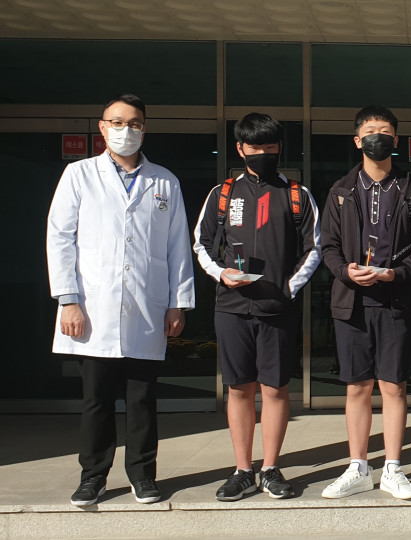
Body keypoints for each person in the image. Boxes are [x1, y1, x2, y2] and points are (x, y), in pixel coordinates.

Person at [47, 93, 195, 506]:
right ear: (102, 127)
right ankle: (92, 477)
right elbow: (59, 238)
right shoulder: (79, 174)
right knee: (96, 401)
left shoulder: (164, 181)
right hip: (92, 307)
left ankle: (143, 476)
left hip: (147, 309)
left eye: (133, 123)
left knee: (142, 399)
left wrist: (177, 302)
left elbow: (177, 246)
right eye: (117, 122)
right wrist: (68, 300)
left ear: (144, 128)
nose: (125, 130)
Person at [194, 113, 321, 501]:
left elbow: (315, 248)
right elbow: (201, 244)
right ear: (240, 148)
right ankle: (242, 470)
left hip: (277, 307)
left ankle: (270, 468)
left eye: (270, 147)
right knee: (238, 389)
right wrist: (221, 274)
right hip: (231, 306)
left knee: (276, 389)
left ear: (279, 147)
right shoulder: (222, 194)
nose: (263, 153)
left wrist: (288, 288)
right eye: (255, 147)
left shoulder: (297, 194)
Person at [319, 106, 411, 500]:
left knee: (394, 386)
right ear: (357, 140)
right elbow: (327, 246)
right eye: (370, 130)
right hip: (351, 301)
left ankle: (393, 468)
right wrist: (345, 271)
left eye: (385, 131)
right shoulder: (340, 191)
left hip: (395, 300)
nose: (377, 137)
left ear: (395, 140)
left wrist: (397, 273)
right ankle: (358, 467)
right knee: (357, 387)